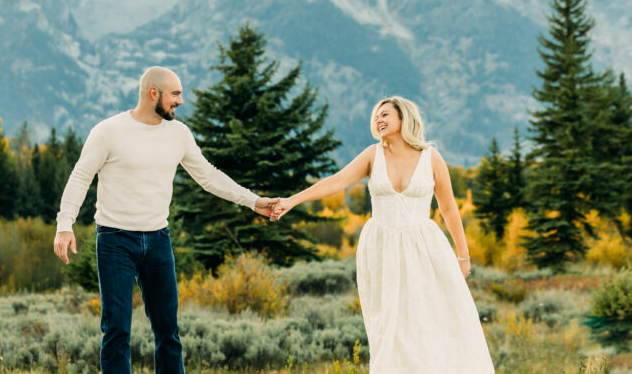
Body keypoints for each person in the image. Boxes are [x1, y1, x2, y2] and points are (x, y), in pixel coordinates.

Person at [53, 66, 279, 374]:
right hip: (115, 241)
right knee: (117, 330)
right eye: (175, 94)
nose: (180, 101)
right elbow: (81, 176)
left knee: (168, 332)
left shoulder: (178, 134)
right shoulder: (108, 131)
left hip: (158, 240)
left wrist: (254, 202)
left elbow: (209, 177)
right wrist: (65, 224)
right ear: (153, 93)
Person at [270, 96, 494, 372]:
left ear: (404, 118)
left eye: (385, 114)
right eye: (377, 115)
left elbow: (449, 209)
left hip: (425, 250)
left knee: (431, 319)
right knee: (390, 327)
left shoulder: (431, 158)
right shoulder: (372, 155)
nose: (379, 119)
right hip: (382, 250)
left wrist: (463, 254)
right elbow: (336, 181)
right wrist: (292, 200)